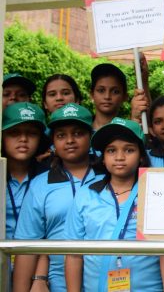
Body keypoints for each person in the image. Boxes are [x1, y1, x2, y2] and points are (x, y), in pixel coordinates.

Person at [64, 118, 164, 291]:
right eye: (111, 150)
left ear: (142, 156)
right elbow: (74, 255)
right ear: (103, 158)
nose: (119, 157)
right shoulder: (86, 195)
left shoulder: (157, 193)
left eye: (129, 150)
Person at [13, 103, 105, 292]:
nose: (70, 140)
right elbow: (27, 247)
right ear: (53, 141)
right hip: (58, 285)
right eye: (61, 135)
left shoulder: (111, 175)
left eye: (78, 133)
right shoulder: (40, 185)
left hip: (106, 280)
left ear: (91, 136)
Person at [3, 102, 47, 240]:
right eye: (14, 132)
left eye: (32, 133)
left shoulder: (49, 176)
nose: (23, 139)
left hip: (36, 255)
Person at [90, 63, 128, 131]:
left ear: (125, 97)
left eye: (115, 92)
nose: (107, 96)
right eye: (101, 90)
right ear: (92, 94)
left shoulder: (129, 131)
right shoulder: (81, 130)